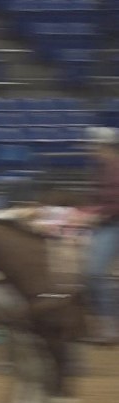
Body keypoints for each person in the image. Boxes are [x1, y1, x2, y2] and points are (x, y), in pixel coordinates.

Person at [83, 126, 119, 344]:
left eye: (95, 146)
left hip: (112, 225)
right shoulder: (102, 169)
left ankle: (108, 324)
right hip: (106, 224)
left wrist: (97, 215)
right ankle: (105, 324)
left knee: (94, 273)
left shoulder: (114, 168)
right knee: (91, 274)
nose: (92, 150)